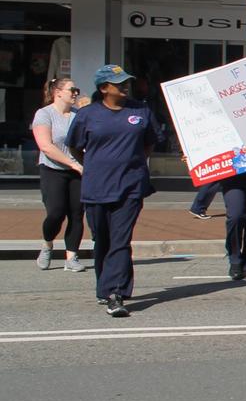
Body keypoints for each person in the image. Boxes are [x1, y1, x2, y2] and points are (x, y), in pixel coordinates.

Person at [66, 65, 162, 317]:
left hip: (131, 186)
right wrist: (95, 166)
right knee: (103, 241)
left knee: (120, 241)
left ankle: (115, 293)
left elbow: (149, 142)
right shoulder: (88, 114)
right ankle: (104, 287)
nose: (125, 86)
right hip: (96, 186)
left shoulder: (141, 110)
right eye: (118, 83)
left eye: (126, 82)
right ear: (103, 88)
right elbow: (76, 147)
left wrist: (133, 165)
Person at [31, 78, 86, 272]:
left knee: (76, 214)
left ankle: (71, 256)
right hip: (53, 170)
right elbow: (46, 146)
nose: (75, 93)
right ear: (58, 92)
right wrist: (72, 163)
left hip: (77, 171)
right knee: (55, 213)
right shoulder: (44, 114)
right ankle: (47, 244)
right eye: (72, 89)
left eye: (76, 90)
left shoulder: (78, 115)